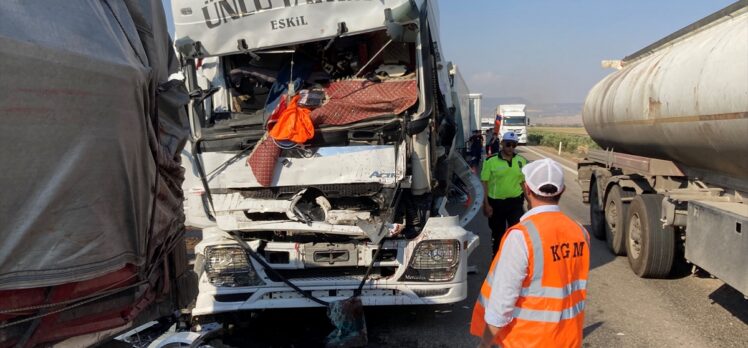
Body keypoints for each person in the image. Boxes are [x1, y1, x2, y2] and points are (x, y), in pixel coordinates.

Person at [471, 158, 590, 348]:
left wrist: (485, 343)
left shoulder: (522, 236)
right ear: (562, 191)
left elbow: (502, 302)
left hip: (527, 340)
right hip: (568, 339)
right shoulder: (580, 231)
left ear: (527, 189)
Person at [481, 132, 527, 255]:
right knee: (498, 234)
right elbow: (484, 183)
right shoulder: (490, 161)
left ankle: (515, 259)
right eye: (508, 144)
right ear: (502, 144)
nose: (511, 148)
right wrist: (486, 204)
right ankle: (497, 259)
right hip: (496, 204)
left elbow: (523, 182)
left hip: (515, 203)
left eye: (513, 145)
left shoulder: (521, 161)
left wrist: (530, 201)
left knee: (517, 232)